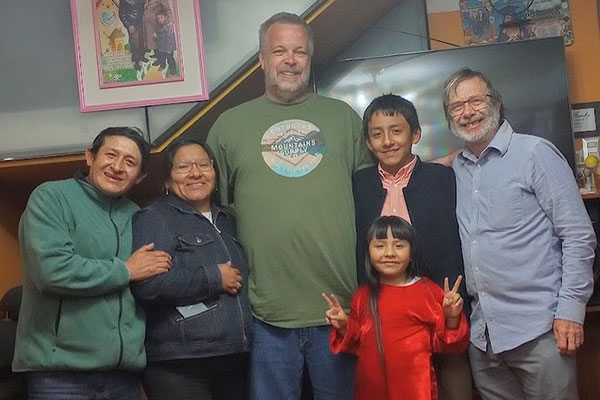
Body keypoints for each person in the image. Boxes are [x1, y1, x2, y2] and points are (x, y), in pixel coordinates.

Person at [207, 11, 372, 400]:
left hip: (339, 307)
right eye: (279, 50)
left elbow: (375, 196)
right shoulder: (228, 127)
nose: (291, 59)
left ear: (310, 59)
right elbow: (210, 212)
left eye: (300, 51)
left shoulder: (344, 118)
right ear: (262, 59)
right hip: (264, 312)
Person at [443, 67, 596, 400]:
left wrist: (571, 311)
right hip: (484, 340)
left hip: (540, 333)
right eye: (457, 106)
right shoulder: (457, 167)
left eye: (475, 101)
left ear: (495, 104)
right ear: (449, 118)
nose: (467, 112)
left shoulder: (534, 154)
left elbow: (578, 236)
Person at [13, 127, 172, 399]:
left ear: (140, 177)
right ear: (90, 156)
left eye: (130, 162)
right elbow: (52, 271)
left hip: (123, 378)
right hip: (61, 376)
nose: (118, 167)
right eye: (111, 155)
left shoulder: (138, 216)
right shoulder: (52, 197)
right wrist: (126, 270)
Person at [352, 94, 472, 400]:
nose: (387, 141)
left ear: (415, 135)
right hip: (387, 321)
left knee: (455, 389)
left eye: (397, 130)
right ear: (368, 142)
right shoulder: (359, 185)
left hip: (443, 309)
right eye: (377, 134)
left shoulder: (443, 178)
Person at [131, 137, 251, 400]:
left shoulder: (229, 220)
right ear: (166, 180)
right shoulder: (154, 218)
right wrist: (214, 277)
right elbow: (148, 285)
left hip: (234, 359)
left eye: (203, 165)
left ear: (215, 174)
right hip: (179, 365)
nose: (195, 173)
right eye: (183, 167)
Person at [323, 216, 469, 400]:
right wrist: (344, 324)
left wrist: (452, 317)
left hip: (416, 392)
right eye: (380, 246)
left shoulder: (428, 292)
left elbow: (447, 345)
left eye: (399, 246)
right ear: (368, 252)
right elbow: (357, 344)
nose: (389, 253)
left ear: (412, 253)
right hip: (370, 391)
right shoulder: (362, 296)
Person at [119, 0, 147, 70]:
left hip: (142, 23)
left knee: (142, 41)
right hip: (132, 25)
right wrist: (129, 25)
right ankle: (135, 61)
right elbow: (121, 14)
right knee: (135, 43)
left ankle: (141, 56)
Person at [153, 7, 177, 75]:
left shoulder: (168, 26)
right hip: (161, 48)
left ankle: (173, 71)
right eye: (158, 19)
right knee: (162, 58)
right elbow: (159, 35)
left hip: (168, 48)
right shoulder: (159, 26)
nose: (160, 20)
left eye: (161, 18)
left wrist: (169, 49)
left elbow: (170, 39)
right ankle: (163, 65)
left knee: (170, 59)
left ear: (166, 17)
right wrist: (156, 35)